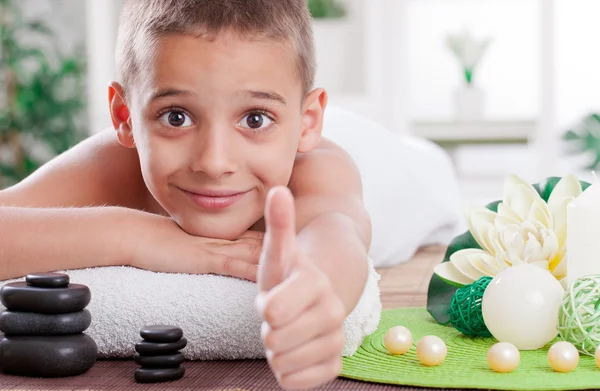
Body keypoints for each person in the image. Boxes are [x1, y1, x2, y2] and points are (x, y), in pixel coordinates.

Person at [0, 0, 372, 389]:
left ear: (307, 122)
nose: (213, 162)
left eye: (254, 118)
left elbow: (338, 231)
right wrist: (135, 235)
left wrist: (318, 297)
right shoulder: (112, 165)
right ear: (125, 117)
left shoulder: (318, 169)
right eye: (176, 116)